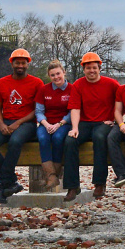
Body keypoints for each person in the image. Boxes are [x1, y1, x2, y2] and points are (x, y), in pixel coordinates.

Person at [0, 49, 43, 202]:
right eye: (17, 63)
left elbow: (38, 109)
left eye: (23, 63)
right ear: (12, 64)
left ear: (28, 64)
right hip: (6, 121)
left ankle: (3, 183)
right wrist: (1, 123)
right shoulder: (2, 83)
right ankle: (9, 182)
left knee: (15, 141)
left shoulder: (37, 83)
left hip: (27, 123)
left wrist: (19, 122)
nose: (20, 65)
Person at [62, 52, 119, 201]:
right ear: (84, 69)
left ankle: (100, 183)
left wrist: (116, 120)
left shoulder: (111, 84)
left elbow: (122, 101)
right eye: (88, 68)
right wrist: (74, 128)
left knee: (99, 138)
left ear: (99, 68)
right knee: (70, 141)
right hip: (84, 122)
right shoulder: (78, 85)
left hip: (104, 122)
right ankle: (72, 186)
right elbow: (75, 108)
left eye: (94, 67)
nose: (91, 70)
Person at [34, 60, 71, 191]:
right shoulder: (44, 89)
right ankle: (51, 176)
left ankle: (55, 174)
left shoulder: (72, 89)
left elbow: (73, 112)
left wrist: (59, 124)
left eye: (58, 73)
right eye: (52, 75)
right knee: (43, 138)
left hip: (64, 123)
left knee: (57, 138)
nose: (56, 77)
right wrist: (46, 124)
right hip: (46, 123)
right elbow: (39, 111)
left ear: (64, 72)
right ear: (49, 76)